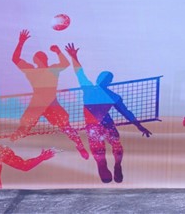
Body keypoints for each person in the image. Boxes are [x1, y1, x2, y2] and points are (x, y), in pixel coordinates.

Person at [64, 43, 152, 183]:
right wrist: (139, 126)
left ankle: (113, 165)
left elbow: (79, 73)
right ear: (109, 82)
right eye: (106, 78)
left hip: (94, 127)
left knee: (105, 150)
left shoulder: (90, 89)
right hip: (104, 125)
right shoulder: (110, 95)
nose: (105, 80)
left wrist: (74, 57)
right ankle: (114, 165)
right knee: (114, 146)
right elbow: (126, 113)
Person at [11, 29, 89, 159]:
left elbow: (65, 63)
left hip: (46, 103)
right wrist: (21, 42)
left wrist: (21, 42)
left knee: (65, 127)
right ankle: (12, 143)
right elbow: (15, 59)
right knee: (25, 127)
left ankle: (80, 146)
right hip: (42, 103)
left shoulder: (45, 70)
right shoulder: (39, 70)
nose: (41, 60)